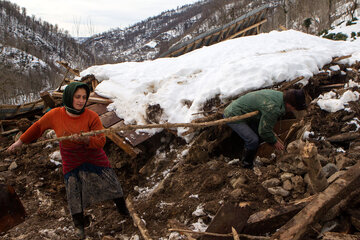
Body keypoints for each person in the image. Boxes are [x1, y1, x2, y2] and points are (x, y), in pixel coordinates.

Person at [7, 82, 129, 239]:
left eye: (84, 97)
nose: (81, 101)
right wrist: (20, 142)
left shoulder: (91, 116)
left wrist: (86, 140)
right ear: (68, 97)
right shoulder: (55, 114)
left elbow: (101, 141)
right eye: (77, 97)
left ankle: (123, 210)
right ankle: (80, 226)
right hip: (71, 159)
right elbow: (37, 127)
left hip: (94, 157)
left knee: (112, 184)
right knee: (74, 192)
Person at [223, 88, 306, 169]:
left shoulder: (280, 96)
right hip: (233, 115)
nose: (293, 110)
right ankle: (247, 165)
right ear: (289, 104)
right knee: (253, 140)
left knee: (259, 136)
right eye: (294, 108)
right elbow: (264, 131)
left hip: (247, 112)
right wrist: (274, 142)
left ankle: (254, 156)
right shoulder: (273, 108)